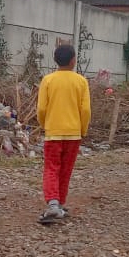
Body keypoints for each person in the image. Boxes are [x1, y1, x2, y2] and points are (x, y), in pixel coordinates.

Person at [36, 44, 92, 225]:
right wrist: (82, 129)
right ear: (73, 60)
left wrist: (45, 124)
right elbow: (85, 110)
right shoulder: (81, 81)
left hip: (53, 133)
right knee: (66, 170)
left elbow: (42, 108)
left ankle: (53, 204)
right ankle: (59, 203)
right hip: (74, 133)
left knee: (52, 168)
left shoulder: (48, 80)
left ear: (55, 60)